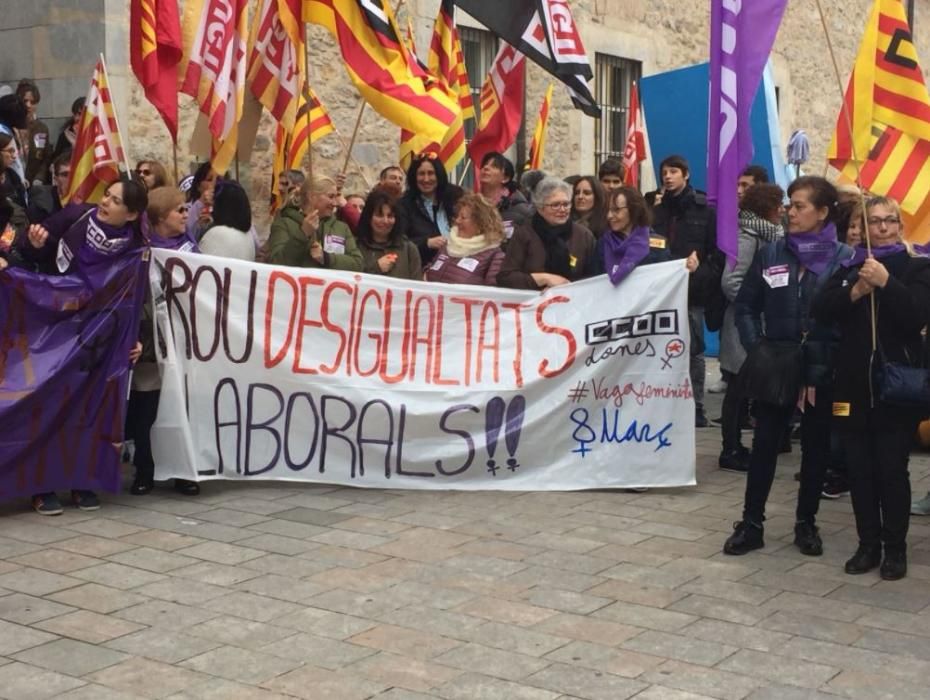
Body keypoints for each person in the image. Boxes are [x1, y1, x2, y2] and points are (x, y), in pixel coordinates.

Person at [723, 176, 852, 557]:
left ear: (823, 212)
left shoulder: (844, 258)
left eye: (799, 206)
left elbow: (847, 320)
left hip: (820, 368)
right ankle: (751, 523)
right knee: (765, 444)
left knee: (815, 448)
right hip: (775, 363)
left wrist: (829, 356)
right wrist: (755, 347)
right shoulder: (772, 253)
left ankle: (806, 522)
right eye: (788, 205)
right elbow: (746, 306)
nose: (789, 212)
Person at [813, 196, 930, 580]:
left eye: (889, 221)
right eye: (874, 221)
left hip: (895, 389)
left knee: (891, 470)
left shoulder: (916, 268)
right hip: (851, 388)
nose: (882, 227)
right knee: (860, 470)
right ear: (862, 228)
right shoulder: (850, 267)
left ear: (900, 225)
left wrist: (886, 283)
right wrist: (855, 292)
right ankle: (868, 544)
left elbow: (916, 316)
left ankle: (895, 548)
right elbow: (822, 309)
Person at [19, 175, 149, 513]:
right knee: (47, 406)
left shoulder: (137, 248)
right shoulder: (75, 217)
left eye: (116, 201)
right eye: (107, 195)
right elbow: (32, 246)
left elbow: (138, 298)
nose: (105, 202)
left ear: (132, 215)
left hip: (100, 339)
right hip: (55, 329)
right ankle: (41, 484)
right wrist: (34, 242)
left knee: (90, 408)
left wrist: (137, 339)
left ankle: (82, 480)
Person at [127, 186, 199, 496]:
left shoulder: (192, 251)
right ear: (158, 216)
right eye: (179, 210)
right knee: (148, 412)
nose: (186, 214)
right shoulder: (140, 254)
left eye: (186, 209)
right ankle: (145, 468)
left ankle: (185, 470)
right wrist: (142, 337)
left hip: (183, 343)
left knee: (183, 410)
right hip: (149, 345)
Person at [649, 155, 722, 427]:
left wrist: (700, 271)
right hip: (661, 292)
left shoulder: (704, 210)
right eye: (664, 172)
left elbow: (716, 254)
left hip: (692, 290)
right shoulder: (655, 211)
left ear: (686, 174)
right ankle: (664, 402)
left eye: (674, 171)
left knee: (693, 350)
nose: (668, 177)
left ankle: (696, 407)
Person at [718, 183, 785, 473]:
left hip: (763, 324)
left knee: (749, 387)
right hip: (741, 325)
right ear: (766, 207)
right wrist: (755, 307)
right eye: (778, 204)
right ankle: (730, 448)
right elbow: (730, 281)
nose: (783, 210)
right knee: (737, 388)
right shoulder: (747, 236)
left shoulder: (774, 235)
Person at [498, 176, 596, 290]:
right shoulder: (524, 234)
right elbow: (505, 277)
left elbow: (594, 278)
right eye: (555, 205)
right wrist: (544, 279)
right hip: (534, 304)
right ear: (540, 207)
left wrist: (567, 288)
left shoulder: (583, 236)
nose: (562, 209)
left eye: (566, 204)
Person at [266, 175, 363, 270]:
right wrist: (303, 233)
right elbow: (276, 262)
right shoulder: (284, 224)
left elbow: (358, 264)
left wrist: (327, 258)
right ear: (311, 196)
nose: (335, 203)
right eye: (331, 196)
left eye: (336, 197)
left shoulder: (342, 228)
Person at [589, 186, 675, 281]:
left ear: (634, 209)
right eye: (608, 210)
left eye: (616, 210)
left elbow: (667, 280)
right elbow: (593, 282)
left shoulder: (658, 245)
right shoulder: (603, 244)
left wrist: (688, 268)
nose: (609, 216)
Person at [425, 192, 507, 286]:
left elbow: (493, 294)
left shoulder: (494, 256)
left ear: (480, 224)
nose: (457, 221)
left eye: (463, 218)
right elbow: (431, 268)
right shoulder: (448, 245)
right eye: (458, 216)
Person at [398, 152, 462, 266]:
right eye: (421, 174)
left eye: (431, 173)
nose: (426, 179)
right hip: (422, 268)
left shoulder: (457, 198)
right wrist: (426, 243)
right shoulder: (404, 205)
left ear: (439, 175)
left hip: (457, 266)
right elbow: (399, 243)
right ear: (414, 176)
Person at [355, 188, 420, 280]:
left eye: (390, 216)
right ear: (368, 217)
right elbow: (350, 282)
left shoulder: (409, 249)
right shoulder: (355, 247)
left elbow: (417, 287)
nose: (385, 221)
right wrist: (376, 268)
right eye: (379, 215)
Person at [477, 151, 532, 235]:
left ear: (505, 178)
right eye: (485, 164)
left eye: (494, 166)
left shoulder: (519, 208)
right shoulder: (471, 205)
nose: (486, 167)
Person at [199, 180, 256, 261]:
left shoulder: (217, 234)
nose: (213, 206)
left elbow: (200, 266)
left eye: (215, 202)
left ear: (222, 205)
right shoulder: (248, 234)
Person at [15, 80, 51, 185]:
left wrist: (39, 178)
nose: (28, 105)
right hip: (15, 184)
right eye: (25, 101)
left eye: (33, 102)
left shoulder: (41, 128)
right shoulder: (10, 126)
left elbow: (45, 157)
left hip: (35, 184)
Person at [51, 97, 84, 165]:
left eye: (80, 114)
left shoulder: (97, 135)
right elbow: (56, 160)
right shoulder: (65, 135)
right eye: (75, 114)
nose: (76, 118)